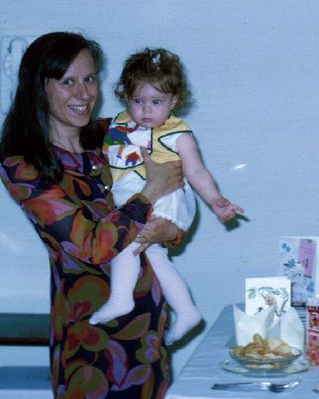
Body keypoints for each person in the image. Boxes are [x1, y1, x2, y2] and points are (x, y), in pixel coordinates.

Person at [0, 32, 184, 398]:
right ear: (39, 87)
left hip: (148, 328)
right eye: (68, 82)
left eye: (89, 79)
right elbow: (89, 246)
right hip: (91, 343)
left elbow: (173, 189)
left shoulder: (111, 134)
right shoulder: (23, 166)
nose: (84, 94)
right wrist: (150, 193)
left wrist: (168, 230)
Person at [89, 47, 244, 344]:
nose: (146, 110)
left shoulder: (178, 135)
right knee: (155, 255)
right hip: (139, 198)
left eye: (156, 102)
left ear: (174, 101)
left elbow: (196, 172)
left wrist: (216, 201)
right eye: (138, 101)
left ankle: (121, 298)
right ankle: (186, 311)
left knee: (128, 242)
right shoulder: (118, 126)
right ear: (126, 99)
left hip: (167, 198)